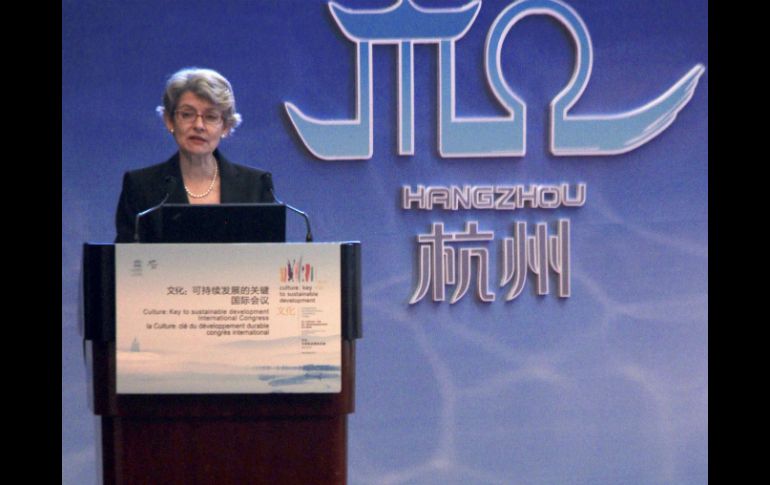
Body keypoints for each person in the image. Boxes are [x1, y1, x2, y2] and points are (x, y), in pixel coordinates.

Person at [115, 67, 275, 242]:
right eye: (187, 114)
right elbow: (126, 261)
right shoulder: (140, 187)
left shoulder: (255, 186)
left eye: (211, 117)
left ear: (226, 127)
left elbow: (270, 259)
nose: (199, 125)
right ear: (170, 120)